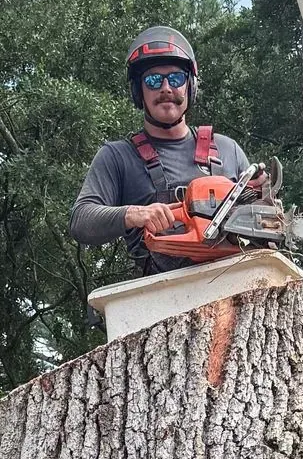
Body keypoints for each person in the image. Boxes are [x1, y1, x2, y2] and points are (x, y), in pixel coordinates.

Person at [70, 27, 253, 276]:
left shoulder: (226, 149)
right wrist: (134, 214)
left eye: (176, 79)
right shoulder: (118, 157)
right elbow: (81, 220)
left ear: (190, 86)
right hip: (162, 294)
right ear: (138, 92)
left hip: (234, 286)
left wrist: (262, 199)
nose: (166, 88)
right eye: (153, 80)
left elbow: (262, 227)